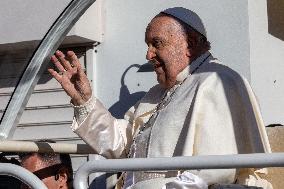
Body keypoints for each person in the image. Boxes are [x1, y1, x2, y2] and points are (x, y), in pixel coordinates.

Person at [48, 7, 272, 189]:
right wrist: (84, 99)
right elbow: (121, 145)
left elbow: (216, 172)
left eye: (157, 43)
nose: (148, 54)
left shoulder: (218, 81)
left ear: (190, 44)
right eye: (148, 45)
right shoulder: (156, 94)